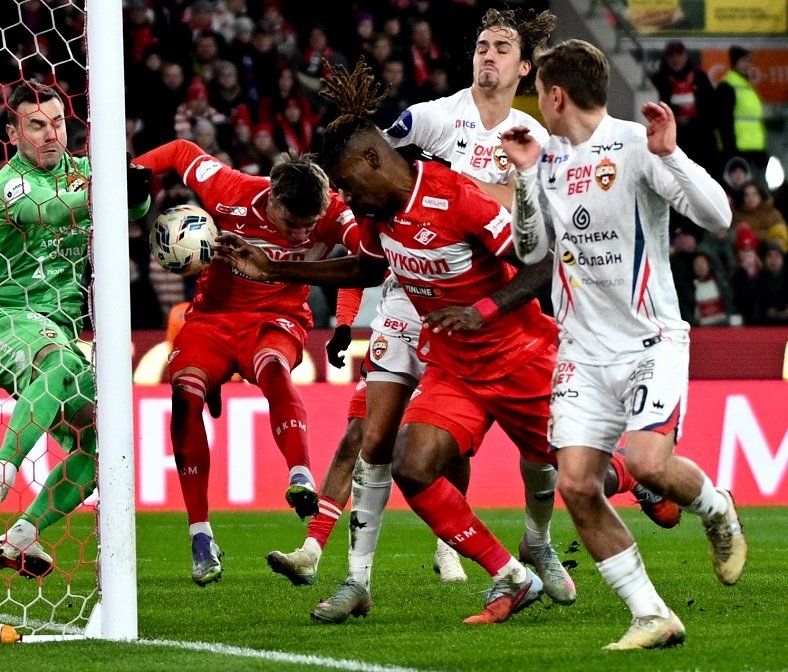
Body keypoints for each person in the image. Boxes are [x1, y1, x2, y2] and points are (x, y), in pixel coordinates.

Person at [267, 9, 677, 606]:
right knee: (374, 436)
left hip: (490, 303)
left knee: (540, 456)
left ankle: (537, 540)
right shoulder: (434, 117)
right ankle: (353, 575)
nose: (488, 55)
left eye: (501, 48)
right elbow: (370, 166)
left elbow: (547, 224)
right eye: (482, 45)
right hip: (410, 298)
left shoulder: (534, 137)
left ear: (525, 67)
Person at [220, 59, 561, 626]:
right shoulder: (391, 190)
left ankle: (594, 512)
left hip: (506, 344)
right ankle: (365, 578)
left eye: (349, 186)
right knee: (381, 443)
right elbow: (367, 266)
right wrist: (277, 268)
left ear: (373, 161)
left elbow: (539, 261)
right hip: (427, 329)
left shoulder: (463, 188)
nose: (348, 201)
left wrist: (482, 310)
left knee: (574, 468)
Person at [500, 39, 747, 650]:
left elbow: (719, 217)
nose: (538, 103)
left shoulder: (637, 145)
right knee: (577, 484)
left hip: (649, 342)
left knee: (648, 465)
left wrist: (673, 154)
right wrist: (526, 178)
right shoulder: (547, 161)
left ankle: (717, 509)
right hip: (582, 353)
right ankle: (651, 614)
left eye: (540, 93)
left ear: (557, 96)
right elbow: (530, 252)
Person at [131, 138, 361, 587]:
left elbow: (368, 259)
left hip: (278, 317)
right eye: (292, 224)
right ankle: (201, 536)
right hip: (213, 319)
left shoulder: (335, 214)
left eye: (309, 226)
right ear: (272, 198)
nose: (302, 235)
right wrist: (134, 171)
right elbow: (180, 151)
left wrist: (346, 321)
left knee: (272, 366)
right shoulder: (231, 190)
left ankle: (300, 475)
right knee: (185, 397)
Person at [0, 79, 152, 578]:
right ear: (13, 133)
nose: (51, 134)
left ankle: (22, 535)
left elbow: (134, 211)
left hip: (65, 331)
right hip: (7, 324)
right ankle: (1, 473)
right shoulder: (8, 184)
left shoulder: (85, 171)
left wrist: (135, 188)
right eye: (36, 125)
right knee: (56, 362)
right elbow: (50, 211)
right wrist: (108, 188)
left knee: (103, 445)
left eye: (58, 123)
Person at [650, 40, 720, 177]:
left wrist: (693, 122)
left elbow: (713, 111)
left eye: (679, 55)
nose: (676, 60)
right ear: (666, 58)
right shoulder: (658, 80)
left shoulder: (700, 77)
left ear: (686, 56)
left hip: (702, 141)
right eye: (671, 56)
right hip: (673, 141)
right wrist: (674, 120)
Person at [716, 45, 767, 176]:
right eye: (744, 61)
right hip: (738, 149)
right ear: (735, 62)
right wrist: (731, 151)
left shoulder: (746, 85)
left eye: (749, 61)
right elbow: (724, 120)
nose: (748, 65)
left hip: (753, 148)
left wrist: (761, 149)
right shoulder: (728, 85)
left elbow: (755, 120)